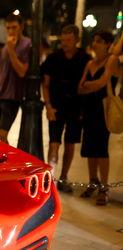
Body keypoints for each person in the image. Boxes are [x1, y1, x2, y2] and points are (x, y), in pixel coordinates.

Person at [40, 25, 91, 192]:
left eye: (69, 39)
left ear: (77, 39)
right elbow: (45, 85)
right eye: (63, 39)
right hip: (56, 105)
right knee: (54, 143)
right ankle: (51, 178)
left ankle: (64, 176)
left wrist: (83, 110)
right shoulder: (53, 58)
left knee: (70, 143)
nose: (65, 43)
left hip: (76, 107)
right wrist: (48, 106)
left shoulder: (85, 59)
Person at [77, 30, 120, 206]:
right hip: (88, 109)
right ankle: (92, 181)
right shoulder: (90, 63)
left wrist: (89, 85)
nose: (94, 44)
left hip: (103, 110)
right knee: (89, 148)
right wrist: (89, 85)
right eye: (94, 41)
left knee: (101, 149)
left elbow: (102, 82)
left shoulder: (112, 60)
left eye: (99, 41)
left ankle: (104, 188)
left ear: (108, 44)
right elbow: (80, 88)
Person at [0, 13, 31, 144]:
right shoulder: (6, 46)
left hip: (12, 96)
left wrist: (11, 49)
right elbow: (3, 72)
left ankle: (9, 162)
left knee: (2, 134)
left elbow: (22, 71)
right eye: (8, 28)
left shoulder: (26, 44)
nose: (11, 31)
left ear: (21, 26)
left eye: (14, 27)